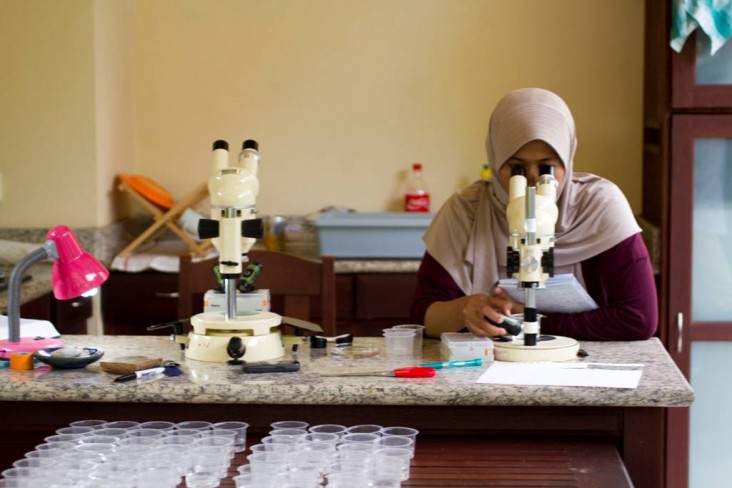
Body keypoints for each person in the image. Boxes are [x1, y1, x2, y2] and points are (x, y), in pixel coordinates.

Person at [409, 87, 658, 341]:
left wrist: (533, 320)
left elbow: (638, 319)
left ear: (567, 161)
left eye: (546, 168)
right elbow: (423, 316)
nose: (531, 181)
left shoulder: (599, 206)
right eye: (516, 167)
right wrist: (462, 311)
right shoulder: (466, 211)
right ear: (496, 163)